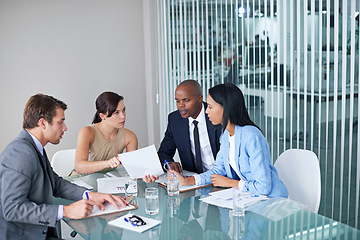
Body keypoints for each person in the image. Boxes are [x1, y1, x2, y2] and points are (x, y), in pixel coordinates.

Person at [0, 93, 128, 240]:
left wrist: (89, 195)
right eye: (60, 122)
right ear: (43, 123)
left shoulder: (34, 147)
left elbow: (55, 183)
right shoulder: (20, 153)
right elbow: (11, 209)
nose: (65, 128)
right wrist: (66, 211)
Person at [177, 83, 288, 198]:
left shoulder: (251, 135)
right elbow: (217, 171)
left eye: (210, 107)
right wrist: (187, 181)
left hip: (272, 201)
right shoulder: (226, 135)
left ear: (226, 108)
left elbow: (263, 187)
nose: (206, 112)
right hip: (251, 197)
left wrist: (230, 183)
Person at [155, 80, 222, 177]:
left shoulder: (215, 114)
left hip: (220, 178)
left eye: (186, 100)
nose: (181, 105)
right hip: (193, 180)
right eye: (177, 101)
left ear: (199, 99)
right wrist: (168, 163)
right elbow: (164, 152)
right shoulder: (175, 120)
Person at [74, 91, 138, 175]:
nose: (123, 116)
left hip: (110, 180)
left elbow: (132, 169)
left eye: (123, 110)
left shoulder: (130, 136)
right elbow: (79, 167)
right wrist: (107, 163)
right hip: (84, 180)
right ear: (102, 116)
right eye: (116, 113)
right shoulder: (87, 132)